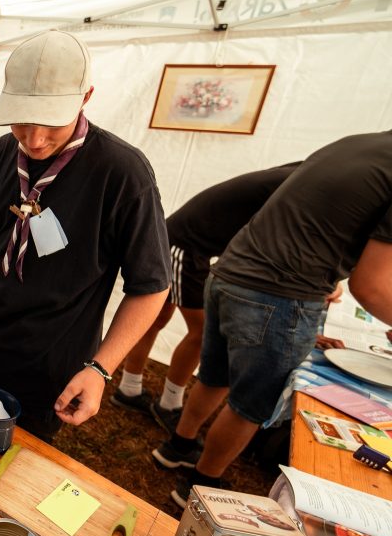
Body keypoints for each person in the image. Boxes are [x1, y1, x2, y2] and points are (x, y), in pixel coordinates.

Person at [0, 30, 171, 442]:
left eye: (50, 122)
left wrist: (101, 369)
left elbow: (151, 287)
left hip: (50, 366)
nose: (33, 139)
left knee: (11, 466)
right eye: (21, 120)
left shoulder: (122, 174)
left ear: (85, 97)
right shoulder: (1, 153)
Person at [153, 130, 392, 507]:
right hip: (278, 294)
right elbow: (372, 286)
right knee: (251, 405)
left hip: (230, 273)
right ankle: (198, 485)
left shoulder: (358, 143)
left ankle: (178, 445)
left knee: (216, 376)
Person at [111, 163, 300, 431]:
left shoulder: (294, 177)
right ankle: (168, 405)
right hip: (185, 247)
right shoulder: (296, 185)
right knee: (201, 332)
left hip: (183, 241)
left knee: (157, 319)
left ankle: (128, 390)